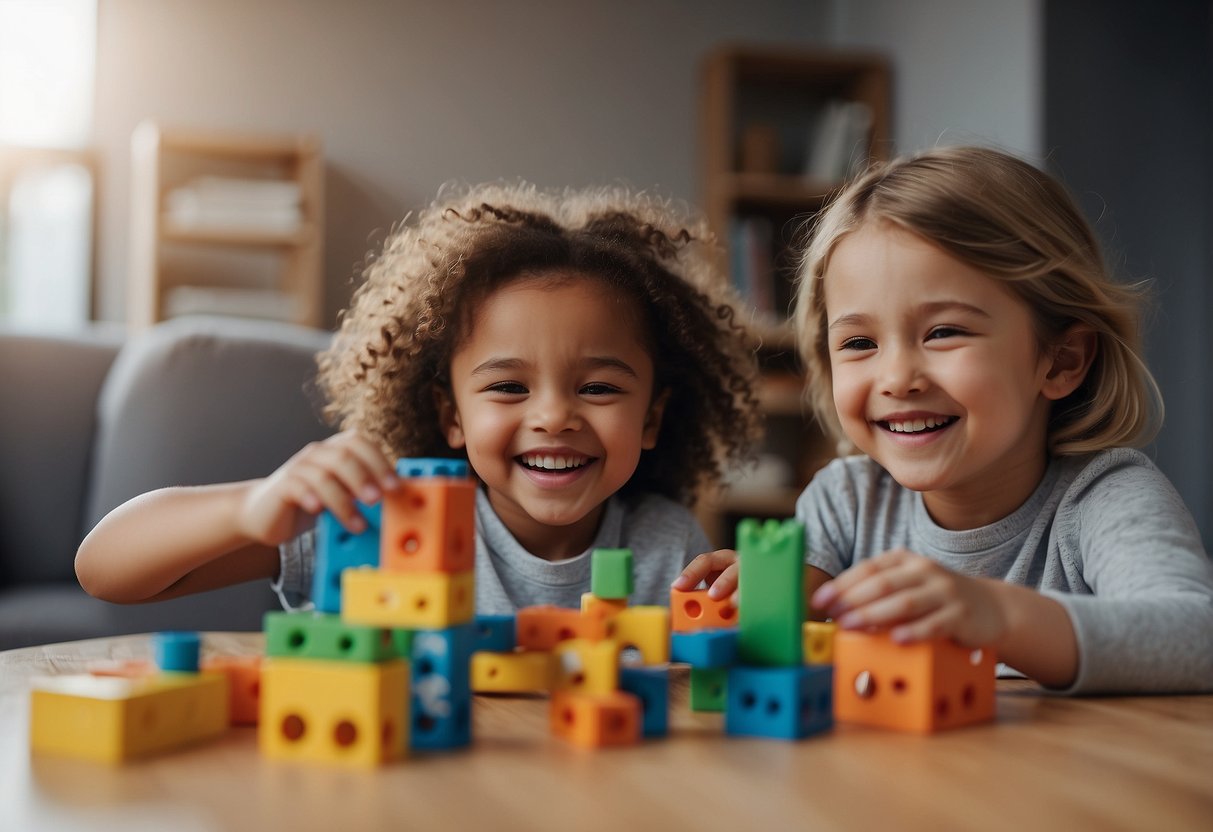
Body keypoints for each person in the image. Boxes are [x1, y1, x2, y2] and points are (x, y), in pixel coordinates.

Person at [77, 183, 761, 614]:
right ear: (448, 416)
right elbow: (106, 569)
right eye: (507, 387)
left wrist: (756, 604)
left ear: (652, 418)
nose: (553, 415)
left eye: (599, 387)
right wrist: (252, 506)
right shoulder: (375, 520)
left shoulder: (666, 547)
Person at [675, 145, 1213, 694]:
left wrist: (998, 615)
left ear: (1061, 359)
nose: (897, 378)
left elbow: (1198, 639)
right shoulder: (847, 503)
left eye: (944, 332)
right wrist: (762, 594)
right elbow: (799, 603)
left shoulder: (1105, 499)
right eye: (860, 342)